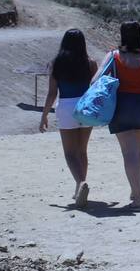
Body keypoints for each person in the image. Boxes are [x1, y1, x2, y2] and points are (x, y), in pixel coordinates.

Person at [95, 21, 140, 208]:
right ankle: (135, 189)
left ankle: (137, 197)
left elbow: (96, 80)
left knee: (129, 152)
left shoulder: (114, 56)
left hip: (121, 105)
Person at [38, 29, 99, 208]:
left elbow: (52, 93)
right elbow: (95, 88)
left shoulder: (57, 63)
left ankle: (80, 184)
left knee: (70, 153)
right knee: (82, 151)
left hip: (66, 107)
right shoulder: (90, 63)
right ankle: (80, 186)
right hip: (85, 107)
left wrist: (44, 116)